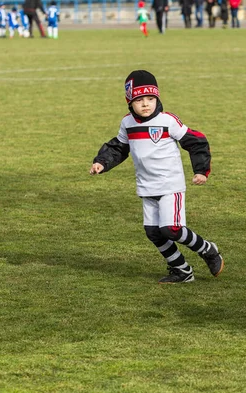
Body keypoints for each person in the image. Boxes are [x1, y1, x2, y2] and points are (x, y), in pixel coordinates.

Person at [89, 70, 225, 284]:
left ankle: (208, 250)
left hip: (170, 185)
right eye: (139, 100)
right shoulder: (127, 124)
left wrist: (200, 170)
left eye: (150, 99)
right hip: (147, 186)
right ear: (129, 102)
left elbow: (196, 141)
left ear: (157, 98)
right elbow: (118, 147)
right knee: (153, 232)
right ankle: (182, 270)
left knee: (171, 229)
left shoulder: (167, 121)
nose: (146, 104)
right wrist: (101, 163)